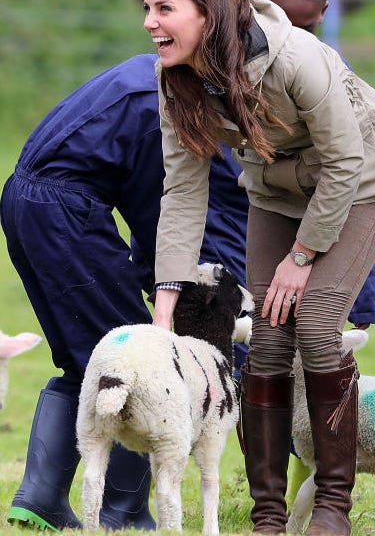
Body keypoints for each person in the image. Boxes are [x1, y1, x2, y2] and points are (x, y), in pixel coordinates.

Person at [145, 0, 375, 536]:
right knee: (265, 337)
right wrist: (164, 314)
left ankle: (333, 507)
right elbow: (183, 194)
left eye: (164, 8)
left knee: (314, 326)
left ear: (206, 12)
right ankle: (268, 516)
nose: (150, 23)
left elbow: (344, 159)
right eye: (148, 7)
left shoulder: (294, 56)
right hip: (276, 187)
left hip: (358, 178)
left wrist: (301, 256)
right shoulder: (174, 77)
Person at [0, 53, 248, 532]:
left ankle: (40, 496)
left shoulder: (149, 76)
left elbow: (145, 197)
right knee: (132, 359)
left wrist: (152, 273)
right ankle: (125, 509)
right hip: (65, 213)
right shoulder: (167, 100)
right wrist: (171, 283)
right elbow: (161, 205)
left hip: (23, 198)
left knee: (88, 357)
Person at [254, 0, 375, 330]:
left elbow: (353, 179)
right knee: (270, 329)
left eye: (303, 29)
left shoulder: (330, 77)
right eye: (280, 26)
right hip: (268, 207)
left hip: (324, 215)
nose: (289, 44)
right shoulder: (236, 75)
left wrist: (362, 301)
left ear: (324, 13)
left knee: (318, 330)